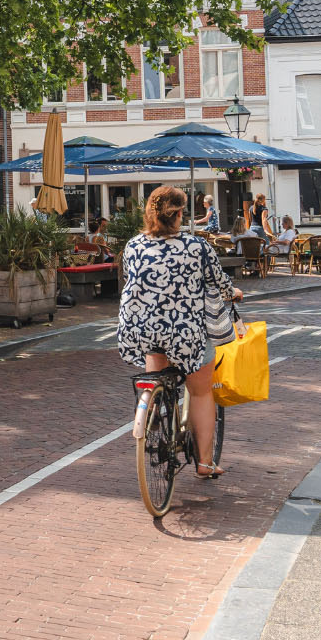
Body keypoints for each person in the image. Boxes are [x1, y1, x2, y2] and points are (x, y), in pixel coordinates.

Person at [118, 186, 241, 477]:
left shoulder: (134, 245)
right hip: (185, 334)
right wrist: (233, 292)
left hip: (141, 331)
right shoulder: (196, 246)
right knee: (200, 392)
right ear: (181, 214)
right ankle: (205, 462)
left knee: (155, 370)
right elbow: (218, 282)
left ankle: (155, 418)